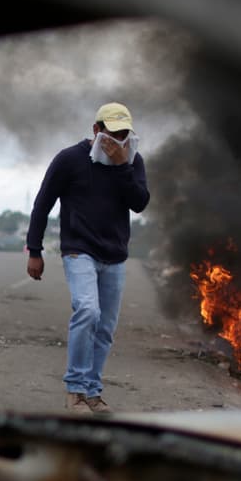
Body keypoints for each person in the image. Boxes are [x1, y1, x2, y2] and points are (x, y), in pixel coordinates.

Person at [26, 101, 150, 414]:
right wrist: (34, 251)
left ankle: (93, 392)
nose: (118, 140)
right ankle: (75, 390)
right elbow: (42, 204)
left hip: (115, 256)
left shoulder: (132, 161)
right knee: (87, 311)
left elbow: (139, 203)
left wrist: (122, 166)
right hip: (78, 249)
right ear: (96, 130)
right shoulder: (70, 159)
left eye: (124, 134)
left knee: (105, 327)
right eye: (112, 133)